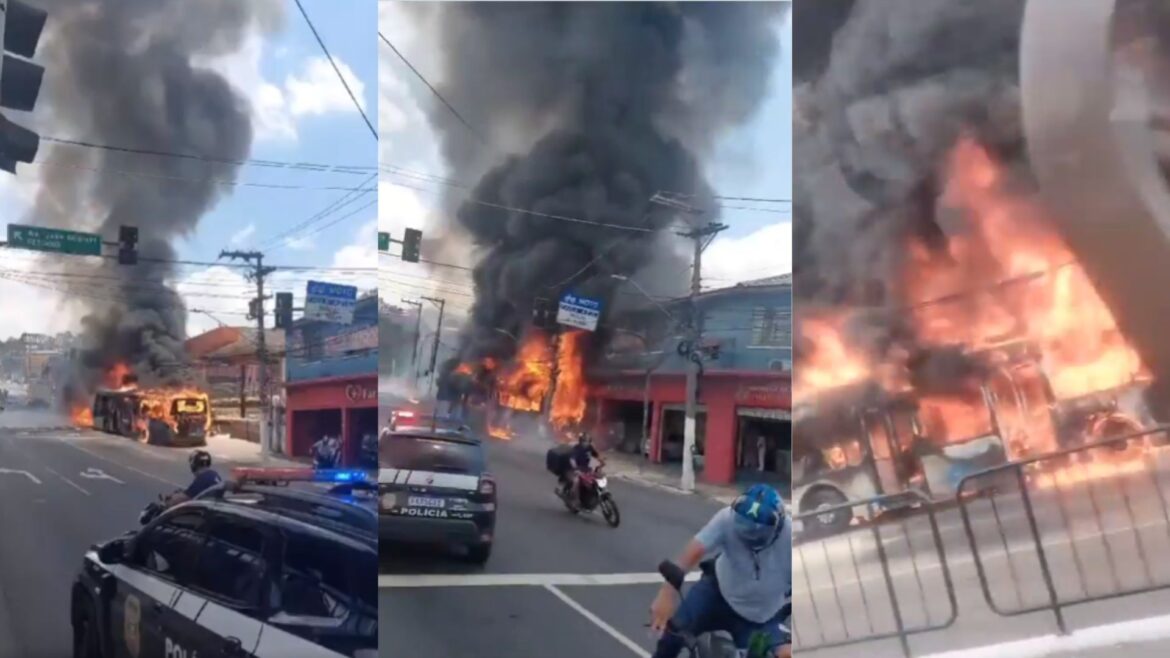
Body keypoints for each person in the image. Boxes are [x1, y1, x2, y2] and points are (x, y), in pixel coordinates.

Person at [649, 484, 791, 658]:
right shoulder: (726, 519)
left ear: (778, 528)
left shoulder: (791, 539)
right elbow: (692, 553)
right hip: (717, 594)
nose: (749, 535)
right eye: (743, 527)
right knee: (674, 632)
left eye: (757, 532)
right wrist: (667, 592)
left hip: (760, 617)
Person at [567, 432, 605, 507]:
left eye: (588, 441)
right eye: (584, 441)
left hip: (586, 469)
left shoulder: (590, 448)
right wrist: (576, 469)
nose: (586, 443)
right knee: (576, 482)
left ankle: (595, 494)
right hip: (575, 470)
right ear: (581, 441)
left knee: (599, 477)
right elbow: (572, 460)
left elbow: (596, 455)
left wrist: (602, 462)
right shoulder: (576, 448)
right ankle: (575, 499)